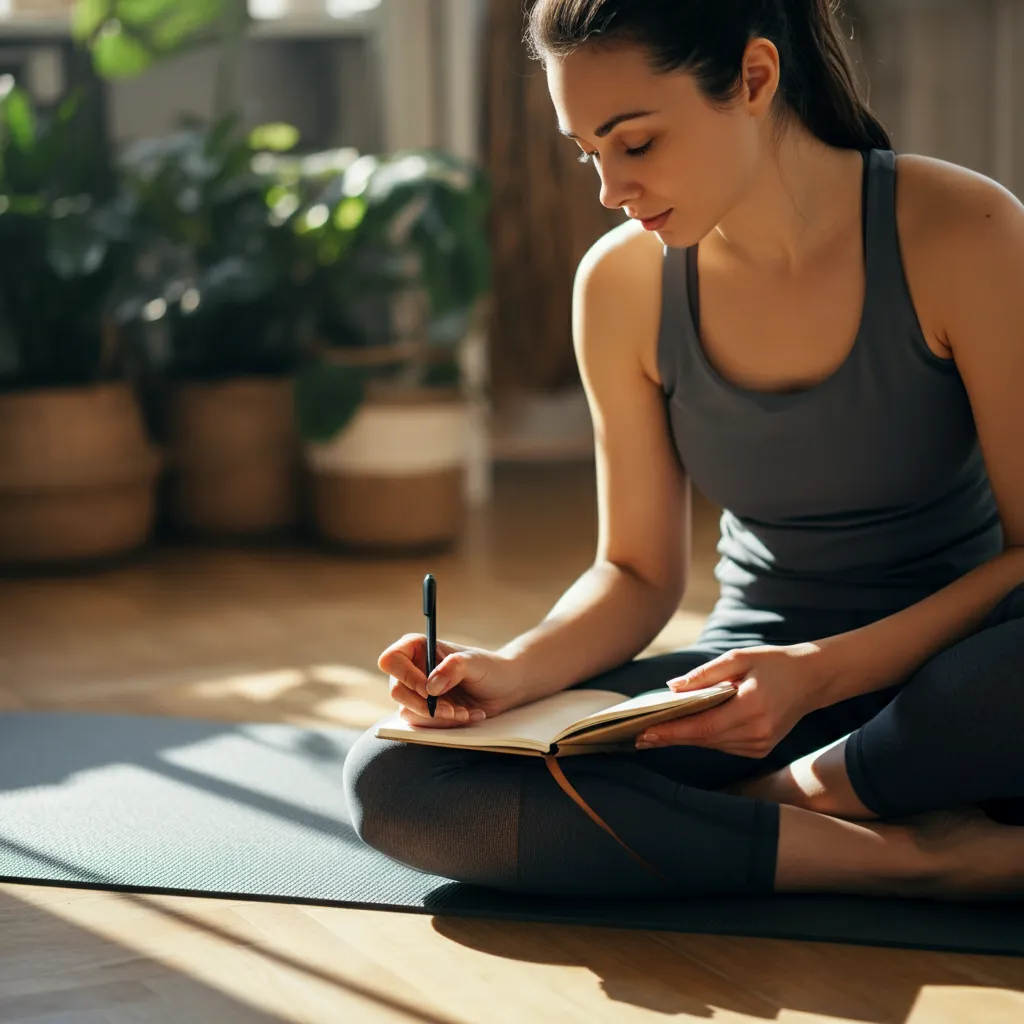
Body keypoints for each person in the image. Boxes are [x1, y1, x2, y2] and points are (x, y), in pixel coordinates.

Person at [343, 0, 1024, 899]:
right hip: (743, 690)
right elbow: (634, 572)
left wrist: (820, 675)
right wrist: (509, 671)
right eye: (588, 152)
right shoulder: (622, 285)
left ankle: (774, 806)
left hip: (959, 672)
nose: (608, 189)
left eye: (635, 144)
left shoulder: (962, 230)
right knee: (396, 781)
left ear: (754, 79)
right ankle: (913, 858)